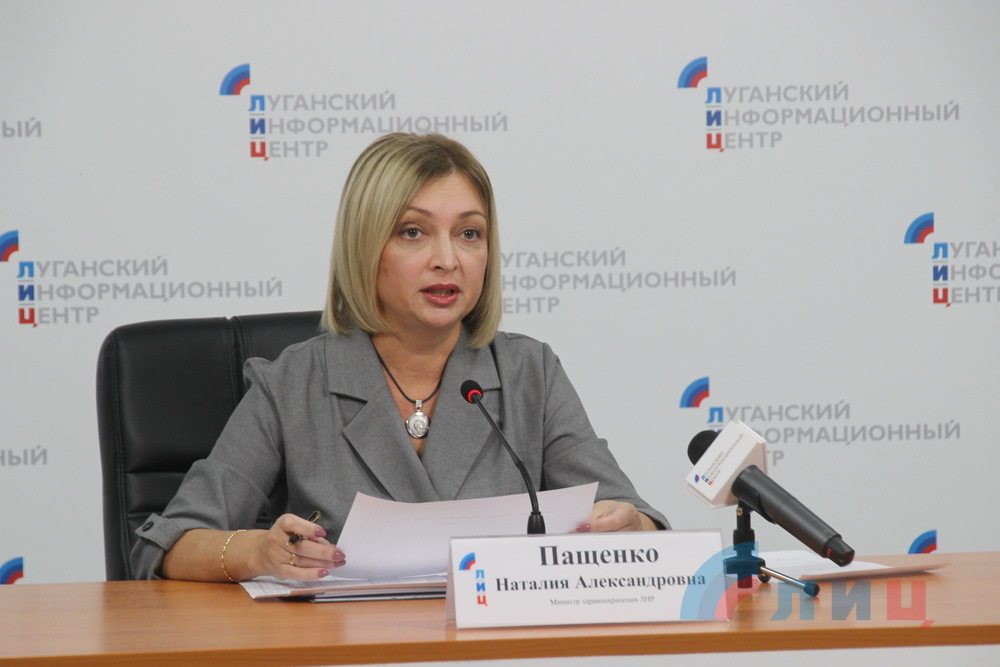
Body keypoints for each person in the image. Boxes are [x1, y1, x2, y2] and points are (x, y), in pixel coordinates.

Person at [131, 133, 668, 582]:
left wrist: (631, 528)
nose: (447, 259)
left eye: (469, 234)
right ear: (365, 246)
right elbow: (169, 545)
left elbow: (637, 518)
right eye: (414, 232)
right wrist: (257, 552)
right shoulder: (294, 382)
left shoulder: (530, 373)